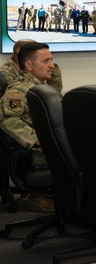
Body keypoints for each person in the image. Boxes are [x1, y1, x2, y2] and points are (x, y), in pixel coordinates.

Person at [0, 41, 56, 212]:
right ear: (29, 65)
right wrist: (40, 141)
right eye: (46, 61)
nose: (52, 65)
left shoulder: (39, 87)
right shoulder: (18, 90)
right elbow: (8, 122)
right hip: (37, 154)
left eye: (51, 60)